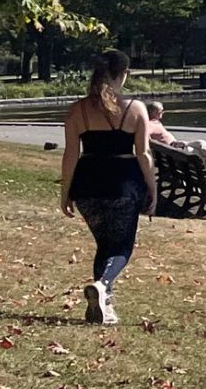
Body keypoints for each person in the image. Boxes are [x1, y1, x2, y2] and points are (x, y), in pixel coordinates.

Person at [58, 49, 155, 325]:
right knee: (122, 247)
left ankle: (102, 307)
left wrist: (65, 193)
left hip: (88, 185)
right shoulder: (135, 109)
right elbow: (144, 154)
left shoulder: (77, 110)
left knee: (104, 243)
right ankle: (103, 285)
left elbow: (70, 155)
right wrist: (153, 189)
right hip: (123, 185)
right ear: (123, 74)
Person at [142, 101, 206, 171]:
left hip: (174, 148)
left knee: (201, 146)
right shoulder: (149, 124)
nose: (163, 113)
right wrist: (171, 146)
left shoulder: (155, 122)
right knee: (200, 149)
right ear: (154, 112)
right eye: (161, 111)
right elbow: (147, 139)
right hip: (173, 151)